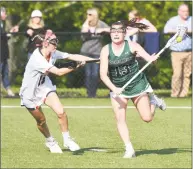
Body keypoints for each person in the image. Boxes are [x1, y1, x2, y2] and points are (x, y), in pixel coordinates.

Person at [19, 29, 97, 153]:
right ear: (45, 43)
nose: (56, 44)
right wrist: (75, 66)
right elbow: (59, 72)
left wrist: (95, 60)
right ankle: (50, 141)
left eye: (56, 41)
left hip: (45, 86)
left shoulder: (53, 52)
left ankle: (67, 140)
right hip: (30, 92)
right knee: (41, 121)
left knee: (61, 112)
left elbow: (72, 56)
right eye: (54, 42)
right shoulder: (37, 58)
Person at [99, 20, 166, 158]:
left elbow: (148, 58)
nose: (116, 34)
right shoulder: (105, 50)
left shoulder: (133, 46)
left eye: (119, 31)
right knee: (120, 118)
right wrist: (114, 88)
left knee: (147, 118)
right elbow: (102, 74)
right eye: (113, 31)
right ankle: (129, 148)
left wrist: (152, 59)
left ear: (124, 33)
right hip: (117, 88)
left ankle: (154, 102)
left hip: (137, 84)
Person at [80, 8, 110, 98]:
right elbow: (84, 31)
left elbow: (111, 29)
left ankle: (94, 93)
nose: (88, 16)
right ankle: (90, 94)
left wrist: (101, 30)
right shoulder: (85, 24)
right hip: (86, 52)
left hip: (97, 52)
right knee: (88, 74)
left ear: (95, 15)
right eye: (87, 14)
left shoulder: (100, 24)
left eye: (90, 14)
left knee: (95, 74)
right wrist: (87, 21)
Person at [163, 4, 192, 98]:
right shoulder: (173, 20)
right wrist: (179, 31)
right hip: (176, 52)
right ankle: (175, 94)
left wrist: (188, 31)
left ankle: (184, 94)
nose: (185, 13)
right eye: (183, 11)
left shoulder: (191, 20)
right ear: (179, 11)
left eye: (187, 11)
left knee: (187, 74)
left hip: (189, 52)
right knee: (177, 74)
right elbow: (166, 31)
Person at [0, 6, 19, 97]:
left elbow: (4, 37)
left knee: (5, 72)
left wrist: (11, 32)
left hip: (4, 52)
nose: (6, 14)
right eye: (4, 12)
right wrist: (9, 32)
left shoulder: (2, 23)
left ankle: (7, 89)